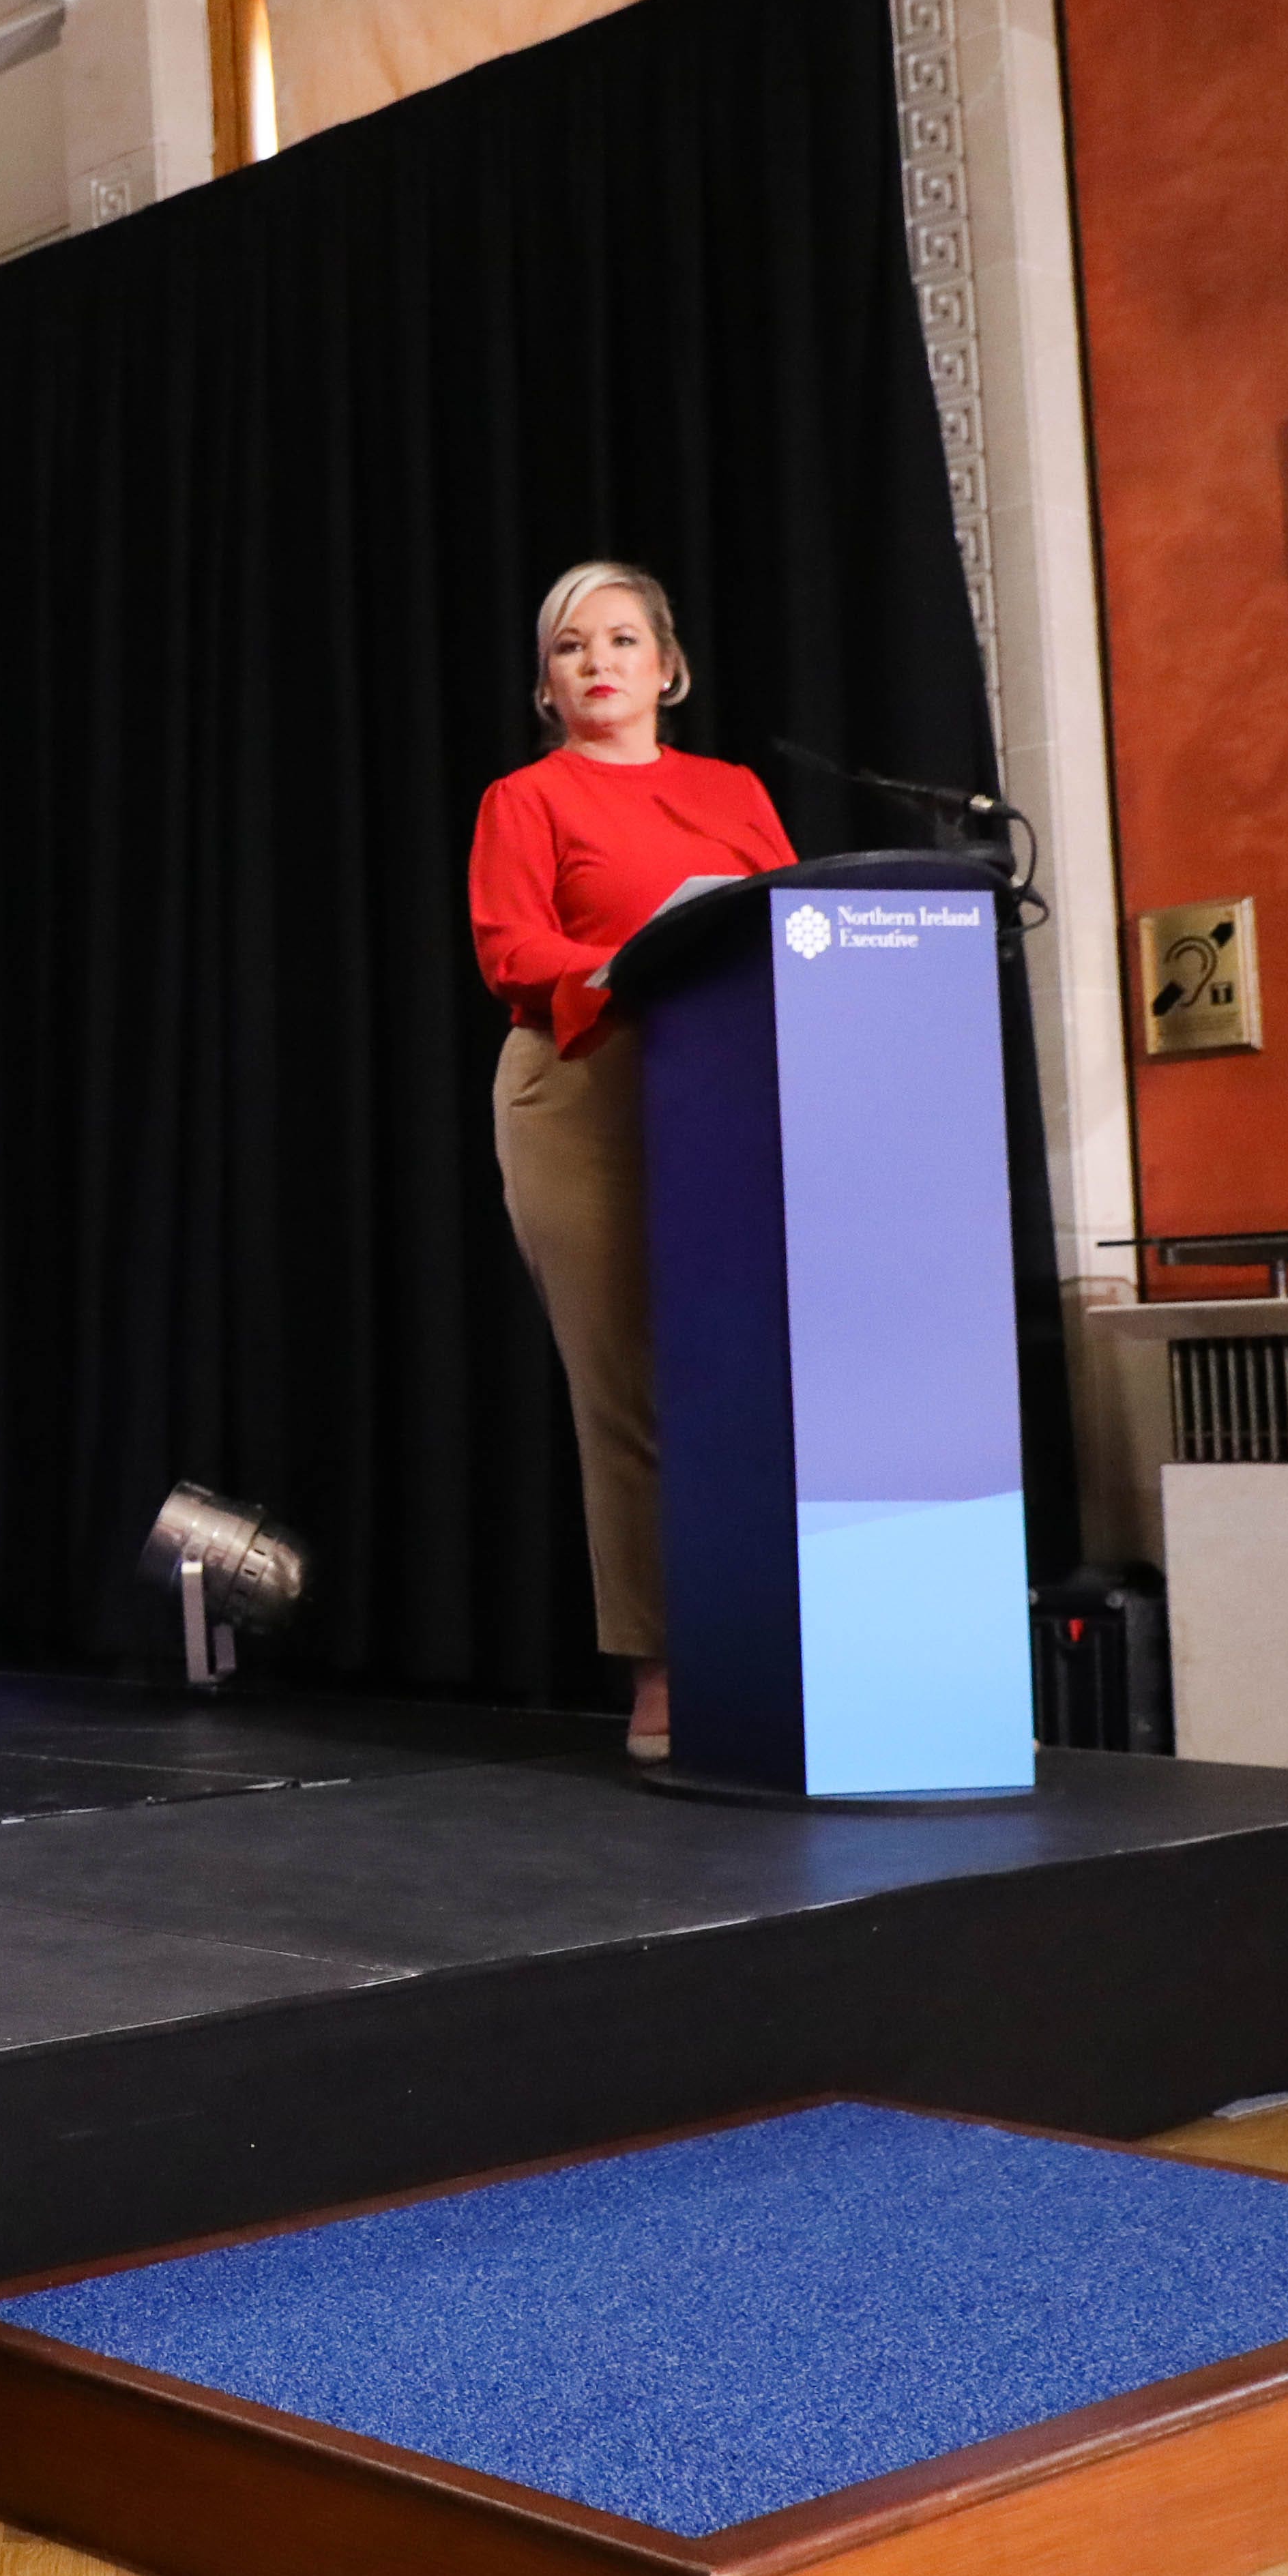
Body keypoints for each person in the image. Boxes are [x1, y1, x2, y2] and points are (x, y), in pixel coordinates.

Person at [465, 563, 795, 1762]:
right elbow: (514, 946)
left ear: (669, 666)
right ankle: (663, 1667)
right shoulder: (526, 798)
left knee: (744, 1376)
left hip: (729, 1085)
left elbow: (789, 921)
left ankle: (772, 1641)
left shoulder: (734, 791)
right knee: (630, 1390)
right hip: (583, 1087)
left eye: (620, 641)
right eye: (570, 648)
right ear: (548, 687)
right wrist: (621, 964)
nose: (596, 663)